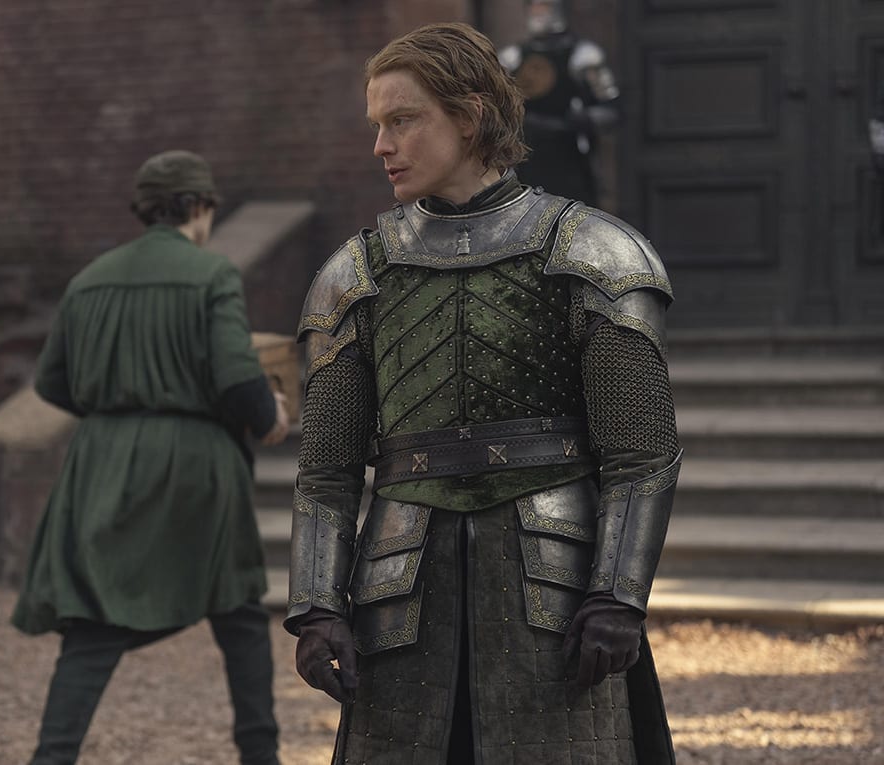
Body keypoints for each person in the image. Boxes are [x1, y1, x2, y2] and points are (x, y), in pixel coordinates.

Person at [287, 23, 679, 763]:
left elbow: (640, 451)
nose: (381, 145)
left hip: (557, 604)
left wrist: (617, 595)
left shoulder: (593, 254)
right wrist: (315, 605)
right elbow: (327, 470)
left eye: (403, 120)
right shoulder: (356, 274)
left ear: (469, 118)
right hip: (399, 601)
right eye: (376, 124)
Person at [11, 150, 288, 765]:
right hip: (197, 464)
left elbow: (52, 382)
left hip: (103, 463)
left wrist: (115, 407)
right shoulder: (212, 274)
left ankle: (52, 757)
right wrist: (269, 415)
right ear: (201, 206)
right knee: (238, 610)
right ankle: (260, 755)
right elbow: (237, 377)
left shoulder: (90, 279)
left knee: (95, 622)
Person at [498, 0, 620, 206]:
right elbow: (495, 106)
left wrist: (585, 119)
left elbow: (610, 108)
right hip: (525, 156)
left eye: (543, 5)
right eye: (533, 5)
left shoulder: (584, 56)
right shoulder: (512, 58)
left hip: (569, 154)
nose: (537, 11)